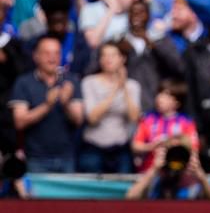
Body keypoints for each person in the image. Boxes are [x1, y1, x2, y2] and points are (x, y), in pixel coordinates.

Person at [8, 35, 83, 173]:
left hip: (67, 156)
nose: (52, 58)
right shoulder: (24, 82)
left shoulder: (70, 82)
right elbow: (19, 122)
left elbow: (78, 120)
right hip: (36, 158)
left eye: (56, 53)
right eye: (47, 53)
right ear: (36, 56)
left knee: (68, 195)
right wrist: (47, 105)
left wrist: (66, 104)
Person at [79, 41, 141, 174]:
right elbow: (92, 118)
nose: (108, 59)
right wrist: (115, 89)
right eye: (104, 55)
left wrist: (124, 86)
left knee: (122, 191)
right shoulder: (89, 82)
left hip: (121, 149)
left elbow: (134, 117)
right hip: (93, 148)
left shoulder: (133, 86)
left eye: (113, 55)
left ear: (122, 59)